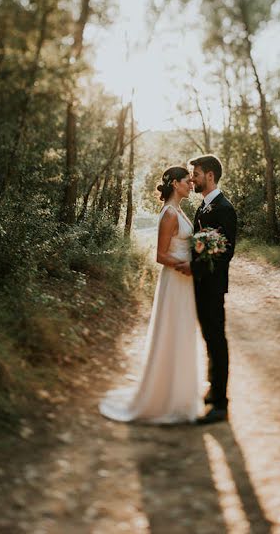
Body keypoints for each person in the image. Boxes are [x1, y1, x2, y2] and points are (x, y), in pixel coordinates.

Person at [98, 166, 206, 424]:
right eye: (186, 181)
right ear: (176, 184)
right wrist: (184, 266)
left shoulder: (179, 210)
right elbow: (160, 255)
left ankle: (181, 394)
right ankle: (165, 396)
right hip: (176, 278)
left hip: (185, 280)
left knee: (184, 331)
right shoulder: (169, 213)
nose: (191, 184)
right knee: (173, 331)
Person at [189, 155, 238, 425]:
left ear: (209, 176)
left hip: (212, 286)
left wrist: (196, 268)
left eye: (196, 174)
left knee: (217, 339)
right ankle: (213, 390)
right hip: (200, 285)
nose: (193, 178)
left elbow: (225, 252)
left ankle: (221, 404)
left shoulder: (224, 208)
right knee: (209, 338)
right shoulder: (204, 207)